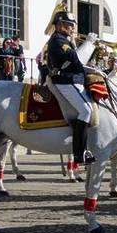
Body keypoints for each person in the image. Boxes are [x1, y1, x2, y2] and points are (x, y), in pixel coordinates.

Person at [45, 11, 94, 165]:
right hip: (64, 80)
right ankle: (79, 153)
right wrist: (89, 43)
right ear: (59, 25)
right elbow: (77, 59)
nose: (73, 28)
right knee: (86, 111)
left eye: (73, 25)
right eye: (70, 25)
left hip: (73, 79)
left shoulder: (66, 40)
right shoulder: (58, 40)